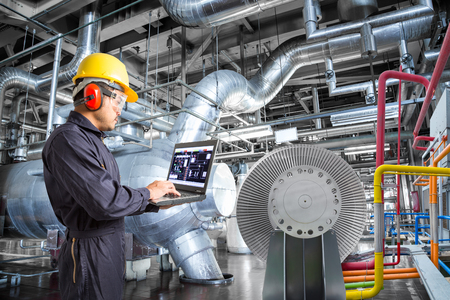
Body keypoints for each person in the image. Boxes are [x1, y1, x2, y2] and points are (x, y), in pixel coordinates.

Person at [42, 52, 180, 300]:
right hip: (89, 255)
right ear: (92, 95)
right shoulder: (69, 140)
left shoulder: (93, 142)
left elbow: (107, 196)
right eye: (118, 100)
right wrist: (148, 193)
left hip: (105, 249)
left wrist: (151, 200)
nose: (120, 110)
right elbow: (105, 202)